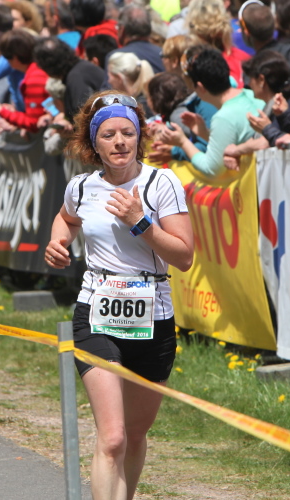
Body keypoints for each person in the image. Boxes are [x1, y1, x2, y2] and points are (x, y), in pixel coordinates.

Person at [45, 89, 194, 500]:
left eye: (127, 133)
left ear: (139, 136)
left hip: (153, 318)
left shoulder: (161, 182)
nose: (119, 142)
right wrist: (58, 242)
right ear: (94, 142)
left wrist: (140, 221)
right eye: (108, 135)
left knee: (136, 433)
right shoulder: (81, 187)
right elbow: (66, 218)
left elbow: (184, 257)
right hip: (96, 315)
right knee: (112, 438)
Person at [152, 46, 263, 176]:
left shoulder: (223, 118)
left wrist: (183, 142)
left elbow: (212, 169)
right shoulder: (252, 95)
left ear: (200, 87)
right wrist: (204, 133)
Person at [107, 52, 155, 117]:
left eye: (109, 76)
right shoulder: (143, 101)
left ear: (119, 78)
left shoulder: (137, 108)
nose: (109, 81)